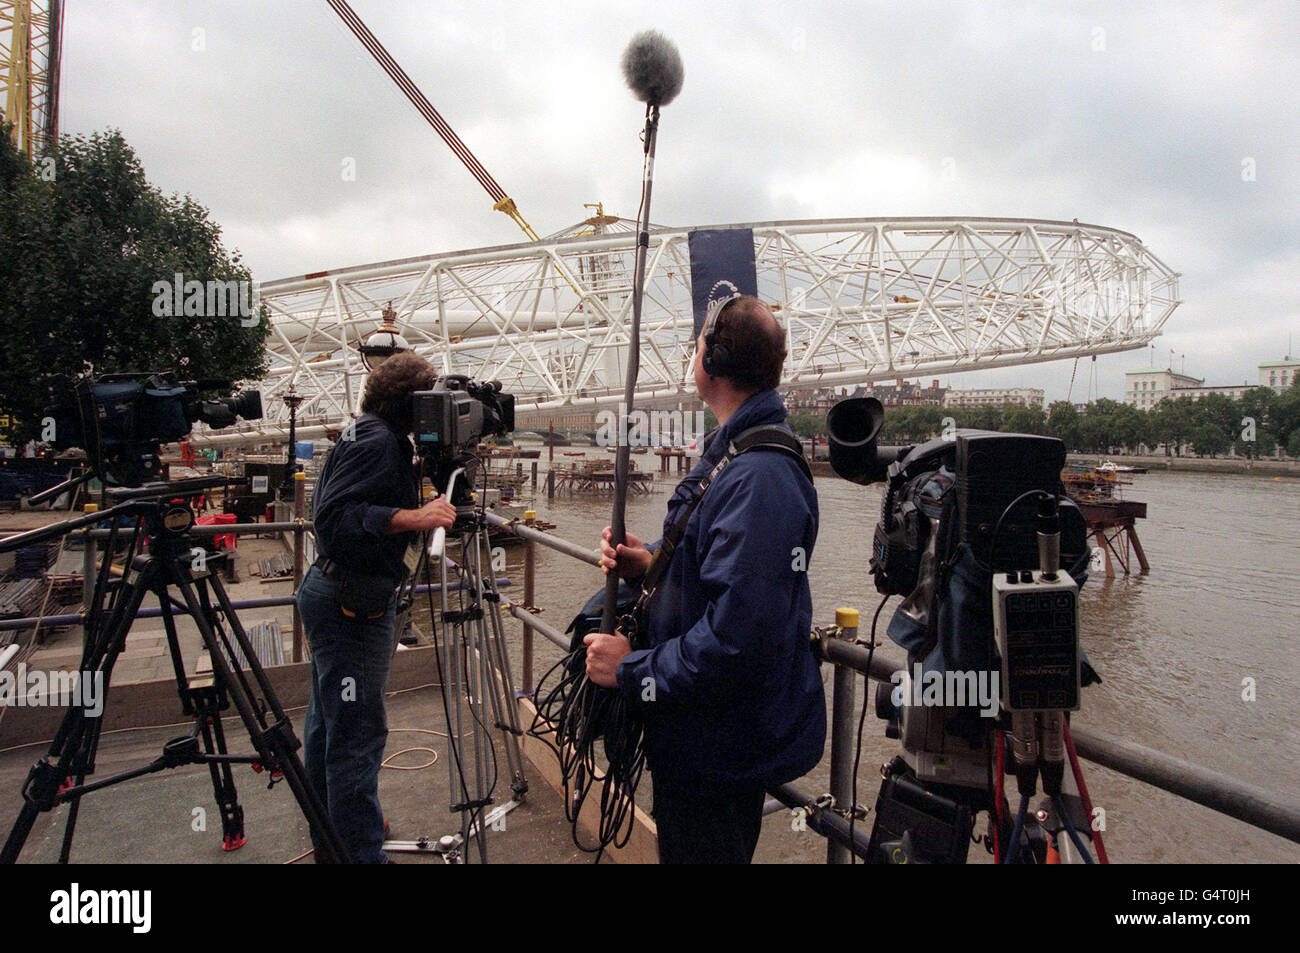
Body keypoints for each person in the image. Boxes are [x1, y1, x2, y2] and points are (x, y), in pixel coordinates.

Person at [585, 294, 825, 864]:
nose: (691, 358)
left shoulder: (760, 479)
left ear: (712, 362)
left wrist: (632, 669)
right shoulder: (737, 455)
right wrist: (651, 563)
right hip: (696, 735)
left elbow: (739, 638)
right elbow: (719, 573)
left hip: (718, 749)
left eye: (696, 347)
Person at [296, 352, 456, 863]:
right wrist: (417, 516)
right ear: (411, 401)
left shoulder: (367, 433)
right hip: (352, 607)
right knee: (356, 736)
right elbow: (335, 519)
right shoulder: (378, 442)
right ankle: (361, 852)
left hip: (333, 594)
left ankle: (334, 837)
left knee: (328, 727)